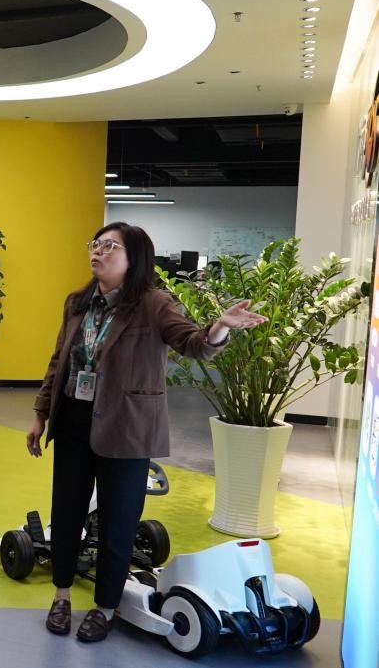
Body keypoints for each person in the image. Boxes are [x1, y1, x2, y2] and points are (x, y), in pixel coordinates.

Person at [29, 222, 266, 643]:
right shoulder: (77, 303)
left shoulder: (153, 303)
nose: (98, 251)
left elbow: (193, 344)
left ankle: (105, 607)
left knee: (119, 523)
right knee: (66, 514)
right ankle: (61, 595)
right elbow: (57, 361)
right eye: (96, 244)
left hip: (127, 427)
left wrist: (220, 327)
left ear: (134, 257)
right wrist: (40, 413)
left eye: (110, 246)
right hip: (73, 422)